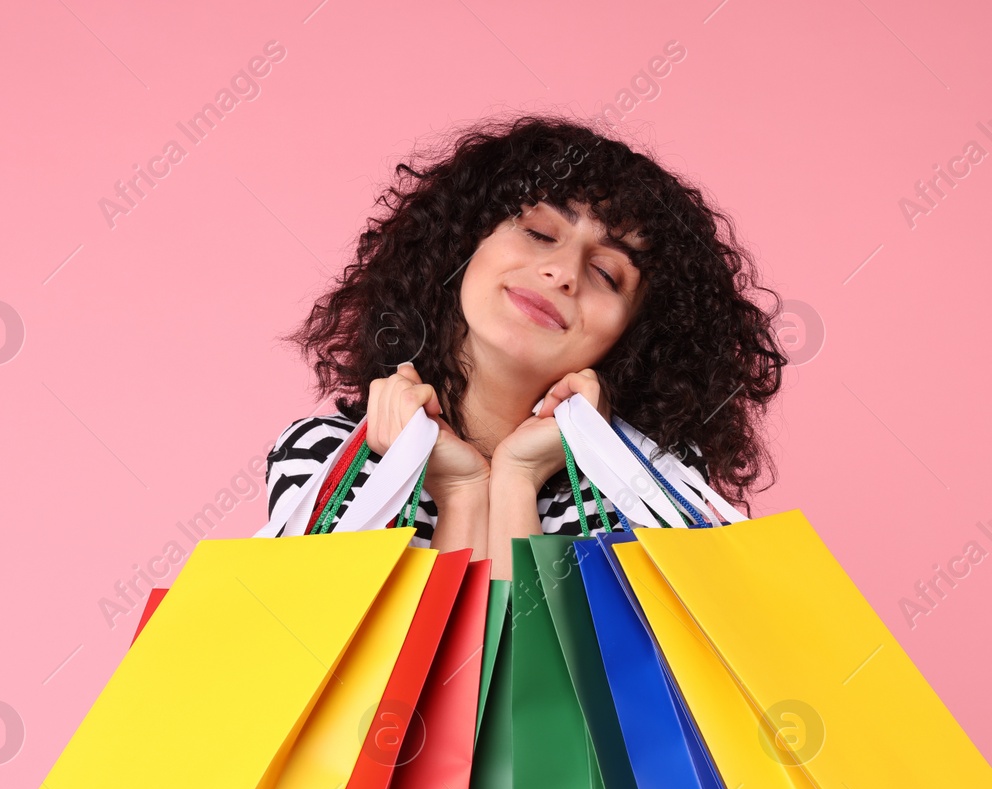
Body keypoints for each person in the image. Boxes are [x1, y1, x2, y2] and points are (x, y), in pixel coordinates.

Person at [265, 115, 788, 578]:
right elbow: (382, 684)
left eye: (608, 273)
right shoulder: (326, 462)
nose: (562, 273)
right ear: (464, 243)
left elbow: (552, 687)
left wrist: (516, 478)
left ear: (639, 334)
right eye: (539, 233)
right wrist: (461, 490)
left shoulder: (646, 485)